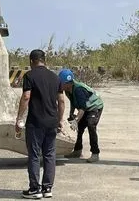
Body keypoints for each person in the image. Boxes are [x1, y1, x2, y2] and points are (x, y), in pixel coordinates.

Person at [15, 49, 65, 199]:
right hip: (51, 123)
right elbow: (61, 101)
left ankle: (35, 189)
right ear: (45, 60)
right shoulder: (55, 78)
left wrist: (19, 119)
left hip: (35, 122)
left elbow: (26, 97)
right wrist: (60, 120)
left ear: (31, 61)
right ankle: (47, 189)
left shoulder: (29, 75)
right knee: (50, 155)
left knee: (34, 156)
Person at [59, 68, 104, 163]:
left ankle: (95, 153)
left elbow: (82, 108)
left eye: (61, 83)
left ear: (67, 83)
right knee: (79, 128)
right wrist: (71, 115)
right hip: (84, 108)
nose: (59, 85)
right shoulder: (68, 90)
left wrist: (76, 120)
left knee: (91, 125)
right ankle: (77, 151)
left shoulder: (78, 89)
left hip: (94, 107)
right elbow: (73, 102)